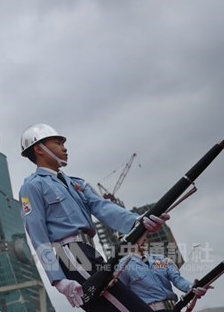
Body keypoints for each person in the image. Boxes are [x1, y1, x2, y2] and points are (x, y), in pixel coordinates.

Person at [18, 123, 170, 311]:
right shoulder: (32, 187)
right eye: (57, 143)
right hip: (70, 254)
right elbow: (37, 235)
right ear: (39, 149)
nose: (64, 148)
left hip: (89, 251)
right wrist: (57, 279)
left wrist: (137, 222)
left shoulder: (76, 184)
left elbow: (103, 207)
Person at [116, 239, 211, 310]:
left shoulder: (161, 259)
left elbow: (177, 280)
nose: (144, 239)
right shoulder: (124, 266)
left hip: (174, 308)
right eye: (141, 236)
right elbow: (121, 293)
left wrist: (192, 287)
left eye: (145, 236)